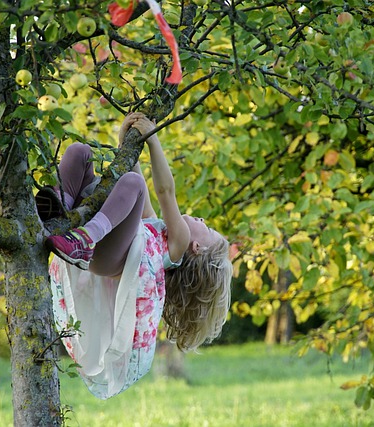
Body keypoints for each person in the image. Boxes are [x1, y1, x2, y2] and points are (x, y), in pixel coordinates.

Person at [40, 112, 232, 399]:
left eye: (207, 228)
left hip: (104, 255)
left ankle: (86, 237)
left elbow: (164, 190)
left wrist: (153, 140)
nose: (202, 220)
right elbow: (137, 188)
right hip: (104, 250)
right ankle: (60, 207)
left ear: (198, 248)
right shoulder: (158, 229)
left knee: (133, 184)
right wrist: (127, 143)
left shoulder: (177, 245)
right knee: (80, 153)